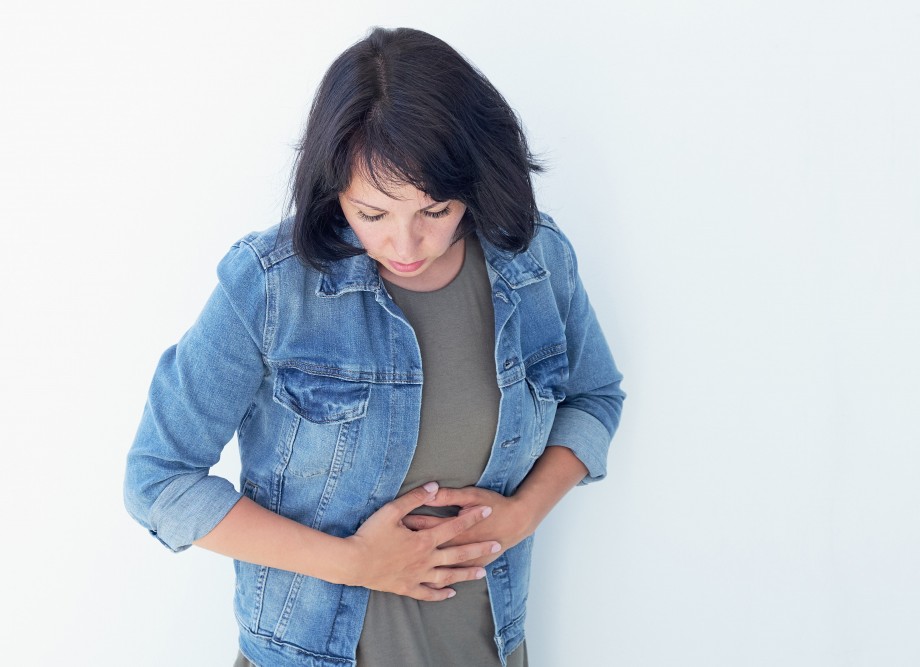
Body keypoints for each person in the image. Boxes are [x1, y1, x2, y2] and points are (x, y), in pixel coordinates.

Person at [123, 26, 624, 667]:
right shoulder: (271, 287)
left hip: (489, 649)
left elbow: (594, 396)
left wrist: (525, 513)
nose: (406, 246)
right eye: (373, 214)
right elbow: (158, 479)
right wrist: (356, 563)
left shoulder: (535, 261)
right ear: (332, 188)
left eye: (435, 211)